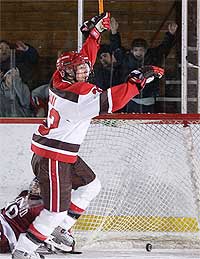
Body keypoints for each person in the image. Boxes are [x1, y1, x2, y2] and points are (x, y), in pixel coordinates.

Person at [12, 12, 164, 259]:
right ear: (71, 75)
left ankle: (61, 230)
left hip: (55, 153)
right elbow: (114, 100)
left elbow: (84, 60)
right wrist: (139, 80)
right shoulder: (79, 96)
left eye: (82, 70)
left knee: (92, 186)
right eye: (79, 71)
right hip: (55, 158)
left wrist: (94, 34)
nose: (84, 72)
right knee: (55, 211)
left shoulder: (59, 79)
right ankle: (24, 250)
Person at [0, 178, 76, 254]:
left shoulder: (26, 196)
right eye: (35, 185)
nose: (35, 188)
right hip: (4, 231)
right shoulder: (38, 204)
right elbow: (65, 240)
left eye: (40, 186)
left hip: (5, 232)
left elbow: (64, 238)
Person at [122, 22, 178, 113]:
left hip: (148, 100)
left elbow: (165, 48)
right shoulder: (126, 60)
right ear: (131, 51)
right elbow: (116, 48)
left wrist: (170, 34)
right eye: (136, 50)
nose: (138, 53)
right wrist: (114, 32)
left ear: (146, 50)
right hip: (131, 100)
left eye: (141, 50)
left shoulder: (153, 57)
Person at [93, 17, 125, 91]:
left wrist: (114, 33)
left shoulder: (121, 68)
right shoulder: (99, 73)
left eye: (104, 56)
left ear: (112, 56)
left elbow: (116, 48)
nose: (103, 60)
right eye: (100, 58)